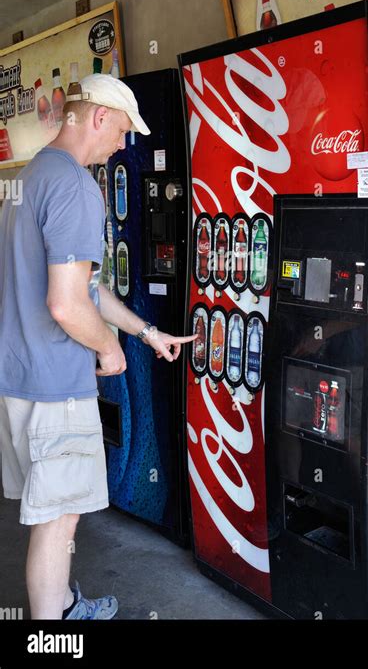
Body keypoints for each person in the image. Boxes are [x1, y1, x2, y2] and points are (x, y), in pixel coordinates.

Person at [0, 74, 196, 620]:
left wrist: (144, 332)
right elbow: (67, 305)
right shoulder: (76, 186)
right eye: (125, 130)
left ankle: (63, 605)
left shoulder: (31, 176)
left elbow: (85, 287)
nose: (124, 144)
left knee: (53, 515)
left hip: (18, 380)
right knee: (57, 522)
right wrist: (109, 350)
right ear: (99, 117)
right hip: (56, 387)